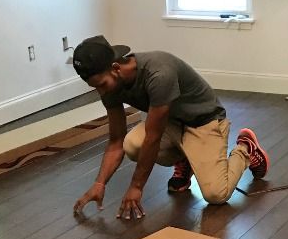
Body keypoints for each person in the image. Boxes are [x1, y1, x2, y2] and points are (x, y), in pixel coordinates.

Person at [71, 36, 269, 220]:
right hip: (171, 122)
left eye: (102, 84)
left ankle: (246, 150)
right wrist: (99, 184)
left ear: (115, 68)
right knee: (131, 145)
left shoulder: (158, 73)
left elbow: (153, 138)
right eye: (95, 86)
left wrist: (136, 187)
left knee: (216, 194)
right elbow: (116, 141)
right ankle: (185, 159)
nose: (101, 91)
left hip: (203, 122)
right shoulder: (110, 84)